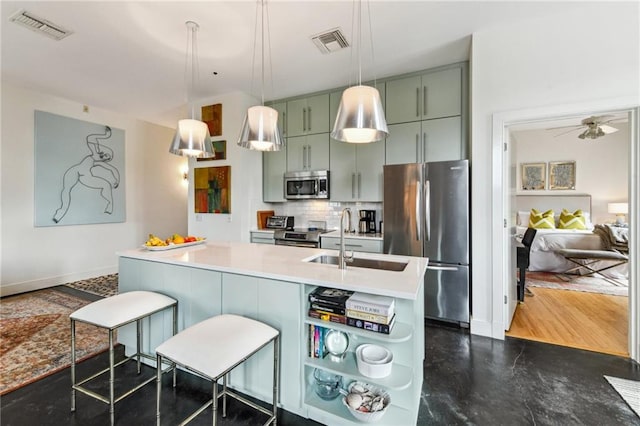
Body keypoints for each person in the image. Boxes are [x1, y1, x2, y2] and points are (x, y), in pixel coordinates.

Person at [53, 126, 120, 223]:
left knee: (106, 184)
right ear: (104, 151)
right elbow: (90, 138)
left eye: (108, 158)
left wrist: (116, 180)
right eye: (106, 154)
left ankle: (109, 208)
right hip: (75, 171)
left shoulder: (99, 161)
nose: (105, 157)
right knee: (66, 190)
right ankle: (59, 214)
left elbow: (112, 169)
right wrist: (106, 135)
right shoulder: (95, 153)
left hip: (86, 176)